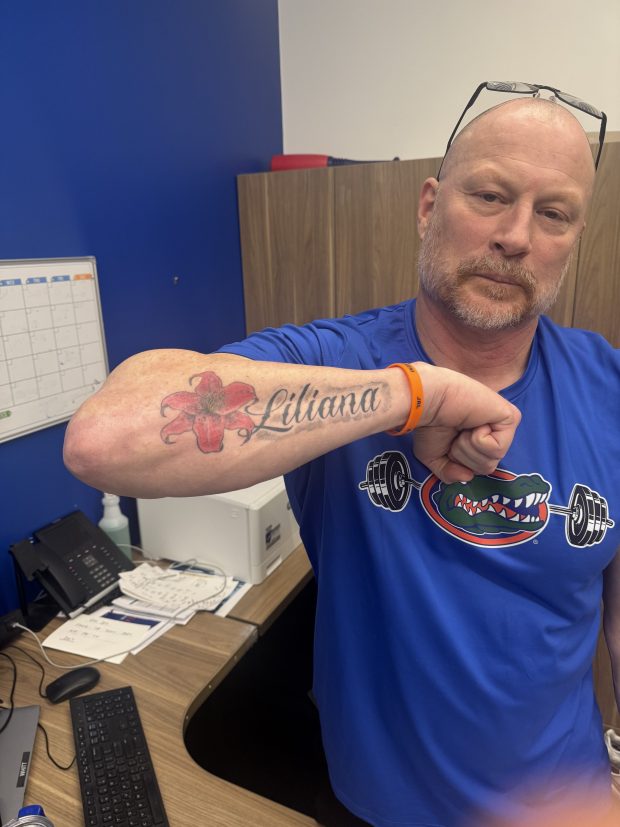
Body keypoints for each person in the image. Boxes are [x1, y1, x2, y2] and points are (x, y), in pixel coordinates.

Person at [64, 93, 620, 827]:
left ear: (574, 236)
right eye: (490, 195)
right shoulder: (339, 362)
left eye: (553, 213)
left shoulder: (608, 385)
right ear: (429, 206)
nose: (516, 235)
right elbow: (102, 438)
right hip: (378, 811)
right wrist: (410, 394)